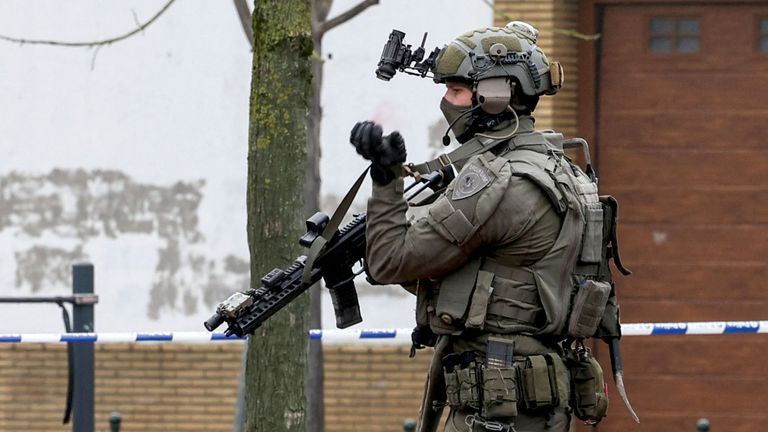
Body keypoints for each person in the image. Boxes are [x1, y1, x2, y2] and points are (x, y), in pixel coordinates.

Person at [351, 22, 612, 432]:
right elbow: (470, 274)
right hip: (525, 399)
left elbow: (390, 261)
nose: (446, 101)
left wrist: (386, 184)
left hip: (498, 403)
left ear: (495, 96)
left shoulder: (501, 182)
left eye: (456, 91)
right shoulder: (560, 168)